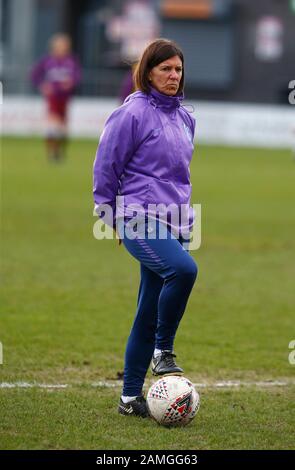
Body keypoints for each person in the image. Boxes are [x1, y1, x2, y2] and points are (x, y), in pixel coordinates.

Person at [93, 39, 198, 418]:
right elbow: (107, 165)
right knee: (184, 270)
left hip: (175, 223)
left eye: (178, 69)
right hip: (137, 217)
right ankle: (162, 350)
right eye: (165, 69)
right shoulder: (132, 113)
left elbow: (179, 176)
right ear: (148, 72)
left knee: (147, 309)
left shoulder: (186, 118)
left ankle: (128, 399)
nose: (173, 76)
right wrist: (109, 216)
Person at [31, 33, 81, 161]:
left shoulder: (71, 61)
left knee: (63, 129)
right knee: (53, 126)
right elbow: (34, 75)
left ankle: (59, 152)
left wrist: (71, 83)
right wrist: (42, 85)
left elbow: (77, 76)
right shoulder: (47, 60)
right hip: (52, 97)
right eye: (59, 45)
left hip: (64, 99)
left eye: (64, 46)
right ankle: (52, 153)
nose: (61, 48)